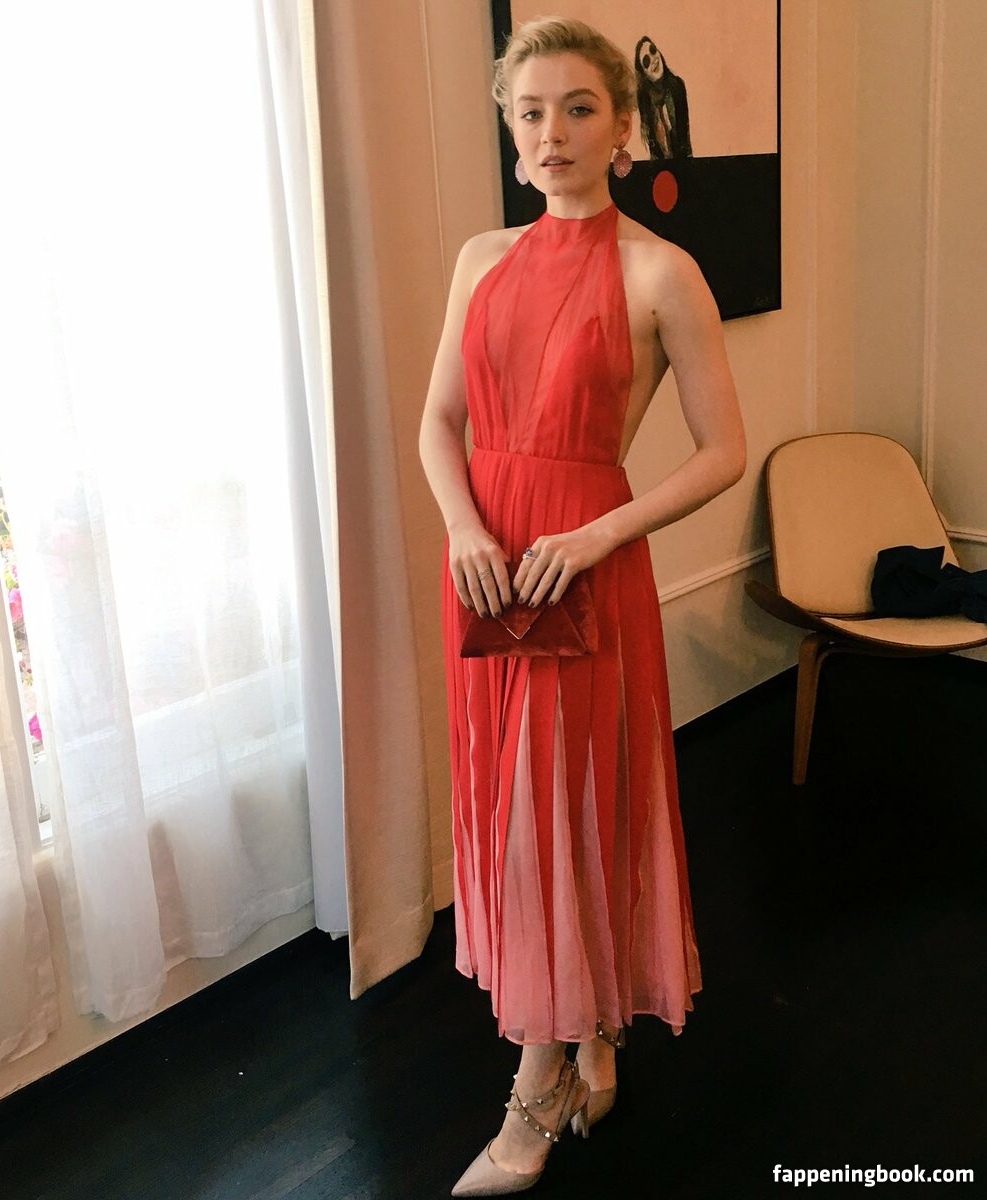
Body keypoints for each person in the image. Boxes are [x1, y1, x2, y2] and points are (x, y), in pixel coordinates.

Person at [418, 16, 744, 1196]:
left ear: (621, 127)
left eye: (577, 108)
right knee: (517, 804)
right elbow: (437, 422)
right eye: (529, 112)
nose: (551, 132)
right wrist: (463, 527)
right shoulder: (479, 258)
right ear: (511, 135)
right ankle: (590, 1031)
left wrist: (599, 534)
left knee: (558, 813)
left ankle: (535, 1096)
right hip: (486, 572)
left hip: (582, 570)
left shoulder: (660, 271)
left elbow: (723, 451)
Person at [635, 33, 693, 158]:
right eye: (646, 61)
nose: (653, 60)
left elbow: (686, 141)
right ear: (644, 74)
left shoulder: (677, 86)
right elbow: (652, 151)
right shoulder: (644, 101)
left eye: (653, 50)